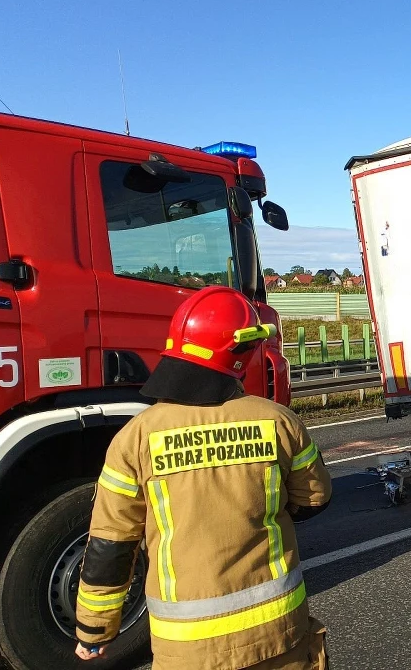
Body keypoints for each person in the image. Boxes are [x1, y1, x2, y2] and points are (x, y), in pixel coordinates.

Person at [72, 286, 332, 669]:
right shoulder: (276, 420)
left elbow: (110, 546)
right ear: (240, 354)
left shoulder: (135, 438)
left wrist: (94, 632)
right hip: (278, 635)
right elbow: (315, 498)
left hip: (186, 651)